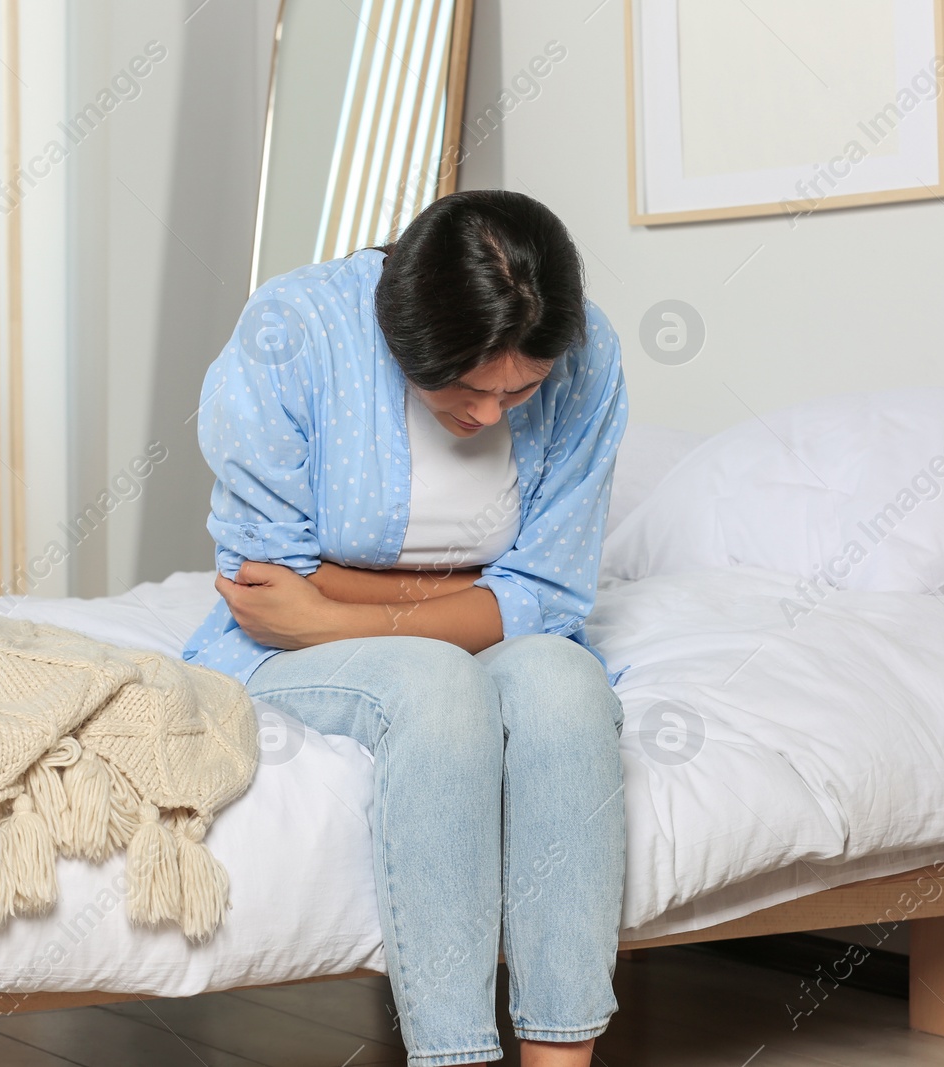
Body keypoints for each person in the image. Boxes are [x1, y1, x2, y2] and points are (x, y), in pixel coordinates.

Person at [183, 189, 628, 1067]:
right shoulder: (296, 329)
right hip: (283, 648)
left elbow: (547, 590)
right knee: (436, 686)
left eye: (522, 390)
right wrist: (468, 592)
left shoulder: (590, 353)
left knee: (567, 684)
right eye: (465, 387)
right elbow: (270, 581)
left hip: (365, 627)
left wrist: (341, 610)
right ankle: (455, 1056)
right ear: (403, 345)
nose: (492, 414)